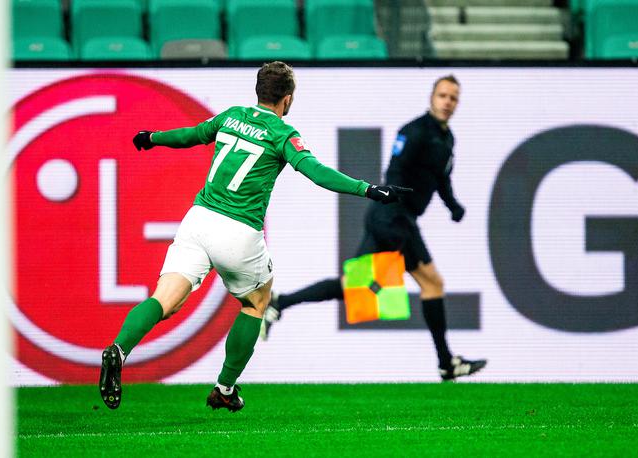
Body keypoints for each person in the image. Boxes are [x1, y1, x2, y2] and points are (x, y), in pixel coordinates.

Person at [98, 61, 411, 412]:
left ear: (258, 91)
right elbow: (316, 173)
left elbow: (190, 136)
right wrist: (368, 189)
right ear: (287, 99)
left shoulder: (230, 117)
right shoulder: (282, 133)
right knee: (256, 302)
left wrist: (152, 138)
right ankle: (225, 388)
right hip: (238, 231)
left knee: (165, 299)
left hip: (198, 220)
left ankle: (119, 349)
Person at [261, 75, 487, 381]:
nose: (448, 102)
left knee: (353, 286)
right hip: (394, 219)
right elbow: (394, 170)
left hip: (394, 220)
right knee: (432, 283)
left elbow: (440, 178)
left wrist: (453, 205)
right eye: (443, 96)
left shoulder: (446, 139)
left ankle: (280, 302)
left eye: (453, 98)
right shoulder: (414, 131)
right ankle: (446, 363)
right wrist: (395, 217)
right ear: (432, 98)